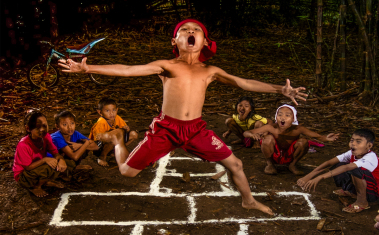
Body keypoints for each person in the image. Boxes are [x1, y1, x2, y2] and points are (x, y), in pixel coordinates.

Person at [59, 19, 308, 215]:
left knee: (236, 164)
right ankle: (118, 142)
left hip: (195, 130)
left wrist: (280, 89)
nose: (191, 31)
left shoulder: (210, 70)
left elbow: (243, 83)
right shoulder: (168, 65)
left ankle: (249, 201)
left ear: (204, 41)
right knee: (126, 172)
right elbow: (128, 71)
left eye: (196, 30)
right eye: (185, 29)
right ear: (175, 40)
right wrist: (88, 68)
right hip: (166, 128)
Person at [297, 129, 379, 213]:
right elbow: (329, 162)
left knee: (354, 170)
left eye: (358, 142)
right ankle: (351, 191)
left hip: (377, 191)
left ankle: (362, 203)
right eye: (352, 140)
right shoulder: (352, 153)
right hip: (367, 184)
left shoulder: (370, 157)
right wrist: (309, 176)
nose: (353, 144)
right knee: (339, 165)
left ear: (369, 146)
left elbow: (347, 168)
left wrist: (320, 177)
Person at [243, 104, 339, 175]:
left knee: (304, 142)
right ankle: (270, 164)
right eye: (280, 115)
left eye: (287, 115)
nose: (282, 118)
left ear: (293, 119)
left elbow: (318, 137)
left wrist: (328, 138)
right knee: (267, 138)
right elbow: (246, 132)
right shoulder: (271, 127)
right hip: (274, 155)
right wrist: (252, 135)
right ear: (276, 117)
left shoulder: (298, 129)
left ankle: (292, 165)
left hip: (289, 155)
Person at [13, 111, 75, 197]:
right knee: (49, 166)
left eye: (44, 126)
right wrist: (45, 160)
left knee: (66, 163)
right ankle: (35, 187)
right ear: (28, 129)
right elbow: (27, 167)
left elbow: (55, 153)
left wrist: (61, 159)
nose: (42, 129)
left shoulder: (46, 137)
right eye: (37, 127)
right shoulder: (23, 144)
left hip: (37, 169)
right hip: (24, 176)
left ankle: (44, 181)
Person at [88, 97, 138, 166]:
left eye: (114, 110)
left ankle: (114, 152)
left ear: (117, 110)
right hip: (98, 147)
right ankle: (102, 157)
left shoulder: (117, 118)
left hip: (112, 143)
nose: (111, 113)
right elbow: (99, 138)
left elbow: (125, 129)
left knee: (133, 134)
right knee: (114, 137)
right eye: (107, 111)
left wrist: (126, 128)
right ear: (100, 112)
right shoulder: (101, 122)